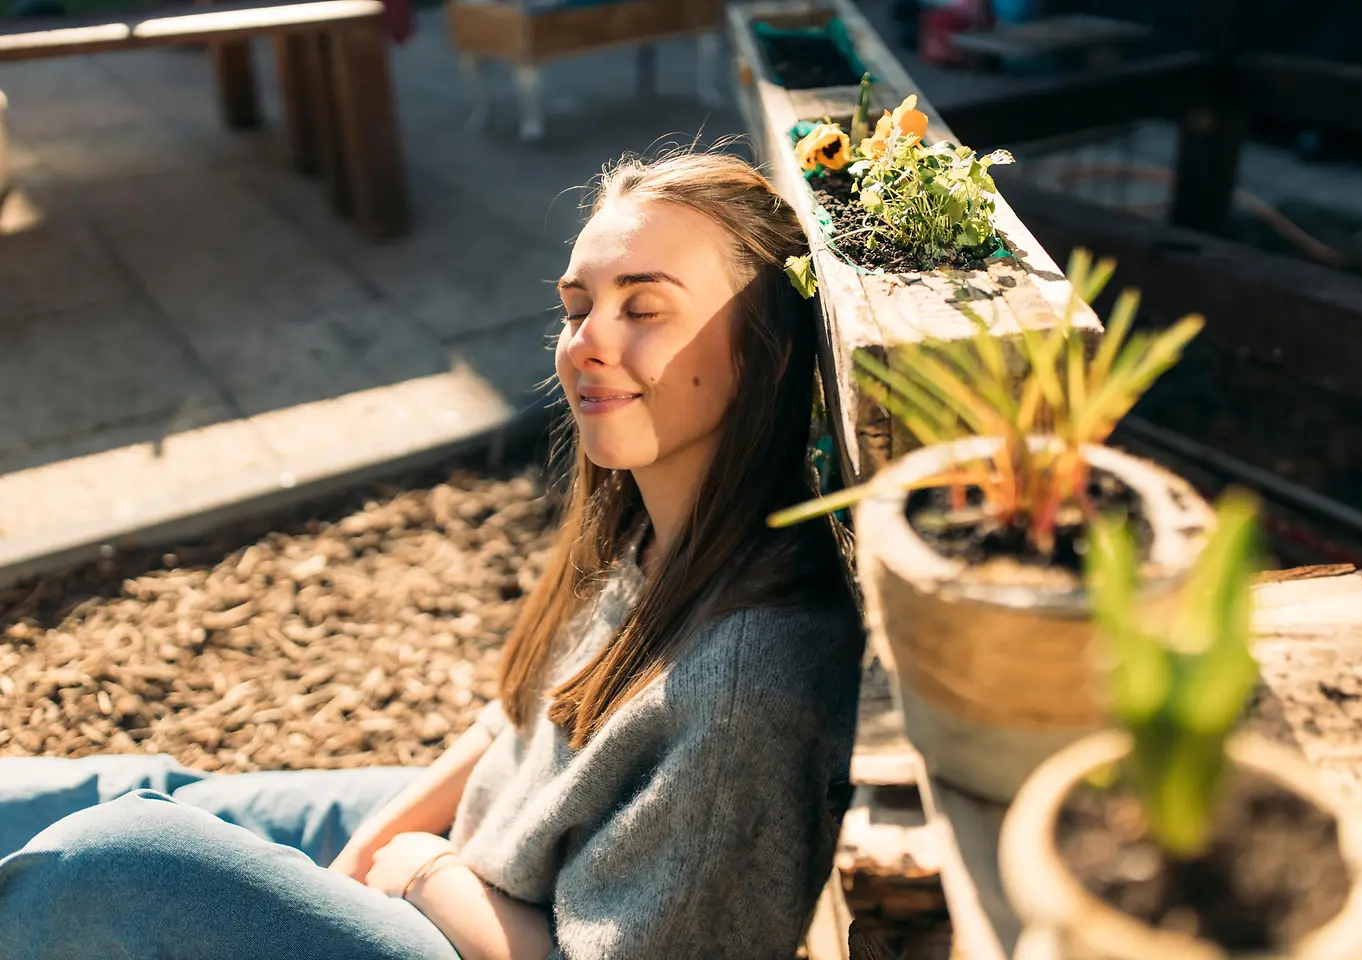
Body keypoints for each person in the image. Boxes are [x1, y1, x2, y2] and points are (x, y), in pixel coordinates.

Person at [0, 149, 865, 960]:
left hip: (460, 925)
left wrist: (423, 873)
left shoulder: (749, 685)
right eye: (577, 307)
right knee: (129, 794)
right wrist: (359, 861)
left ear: (766, 355)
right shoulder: (654, 538)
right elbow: (520, 723)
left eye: (643, 308)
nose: (588, 341)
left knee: (113, 859)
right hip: (468, 854)